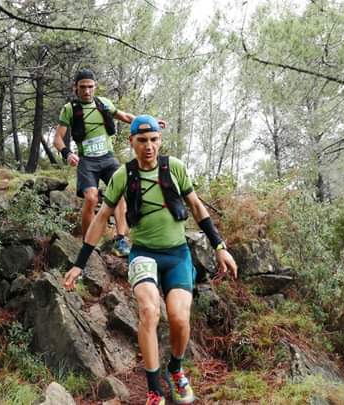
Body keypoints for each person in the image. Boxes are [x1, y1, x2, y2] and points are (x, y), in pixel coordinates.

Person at [63, 115, 238, 405]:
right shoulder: (123, 175)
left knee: (180, 319)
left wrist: (220, 246)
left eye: (154, 140)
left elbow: (196, 207)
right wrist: (80, 262)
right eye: (142, 140)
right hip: (143, 253)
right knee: (148, 311)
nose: (148, 146)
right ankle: (154, 389)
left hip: (178, 254)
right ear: (131, 142)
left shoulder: (175, 168)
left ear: (160, 140)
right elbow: (103, 217)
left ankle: (176, 370)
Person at [54, 68, 151, 256]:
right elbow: (58, 138)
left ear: (95, 86)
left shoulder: (104, 104)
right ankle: (87, 242)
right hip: (87, 161)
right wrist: (67, 153)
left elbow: (127, 118)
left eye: (90, 86)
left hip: (107, 158)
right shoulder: (70, 109)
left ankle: (120, 239)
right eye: (83, 87)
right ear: (76, 88)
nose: (87, 91)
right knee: (91, 198)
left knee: (121, 192)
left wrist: (150, 123)